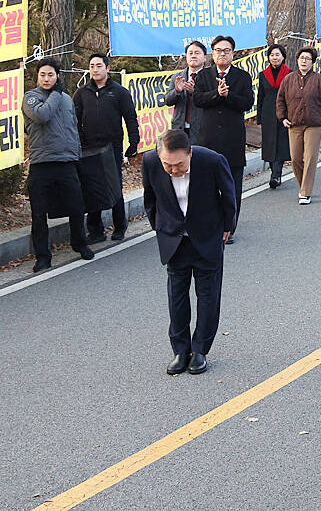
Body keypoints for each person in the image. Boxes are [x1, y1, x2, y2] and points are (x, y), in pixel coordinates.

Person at [142, 130, 236, 376]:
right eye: (168, 165)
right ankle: (180, 350)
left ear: (190, 153)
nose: (173, 170)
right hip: (174, 240)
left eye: (179, 164)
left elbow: (228, 195)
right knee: (177, 296)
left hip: (207, 237)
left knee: (208, 296)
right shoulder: (150, 162)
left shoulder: (212, 161)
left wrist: (228, 226)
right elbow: (150, 200)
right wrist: (160, 229)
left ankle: (200, 350)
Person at [21, 58, 94, 272]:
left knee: (76, 207)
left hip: (66, 162)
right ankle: (43, 256)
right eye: (42, 74)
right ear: (37, 76)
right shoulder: (31, 97)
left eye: (50, 74)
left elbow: (72, 128)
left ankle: (79, 243)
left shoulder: (66, 99)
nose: (46, 78)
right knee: (39, 214)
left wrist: (76, 156)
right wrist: (55, 93)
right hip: (41, 163)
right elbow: (42, 115)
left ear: (58, 76)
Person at [73, 53, 140, 244]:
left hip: (112, 147)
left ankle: (119, 227)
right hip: (88, 148)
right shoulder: (82, 93)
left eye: (99, 66)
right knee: (91, 187)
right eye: (92, 66)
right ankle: (96, 231)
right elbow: (74, 120)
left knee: (114, 184)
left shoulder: (119, 92)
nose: (95, 69)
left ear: (107, 68)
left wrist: (133, 143)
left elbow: (130, 118)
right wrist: (79, 142)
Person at [193, 35, 254, 244]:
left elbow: (247, 102)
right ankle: (211, 226)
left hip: (232, 139)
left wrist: (229, 96)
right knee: (207, 188)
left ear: (233, 54)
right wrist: (217, 94)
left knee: (232, 187)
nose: (222, 54)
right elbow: (198, 100)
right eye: (218, 50)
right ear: (212, 53)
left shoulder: (242, 77)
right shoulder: (203, 76)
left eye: (227, 50)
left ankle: (229, 228)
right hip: (208, 140)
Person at [275, 46, 321, 205]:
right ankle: (303, 186)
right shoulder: (288, 79)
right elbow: (280, 100)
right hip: (294, 124)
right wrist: (282, 117)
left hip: (313, 124)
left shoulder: (319, 80)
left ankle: (305, 192)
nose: (304, 61)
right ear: (297, 60)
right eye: (302, 58)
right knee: (295, 158)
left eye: (308, 59)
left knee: (310, 157)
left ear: (313, 62)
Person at [257, 44, 291, 189]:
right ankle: (274, 172)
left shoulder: (289, 74)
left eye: (277, 55)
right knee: (270, 144)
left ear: (283, 57)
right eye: (272, 55)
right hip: (268, 113)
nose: (274, 57)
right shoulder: (263, 75)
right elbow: (260, 97)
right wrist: (259, 118)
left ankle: (276, 175)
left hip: (285, 113)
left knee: (281, 143)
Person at [165, 41, 207, 144]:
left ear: (204, 57)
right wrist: (177, 91)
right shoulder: (177, 77)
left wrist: (195, 92)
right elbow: (167, 101)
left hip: (202, 129)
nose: (193, 56)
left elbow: (211, 100)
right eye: (190, 53)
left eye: (197, 53)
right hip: (179, 128)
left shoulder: (209, 77)